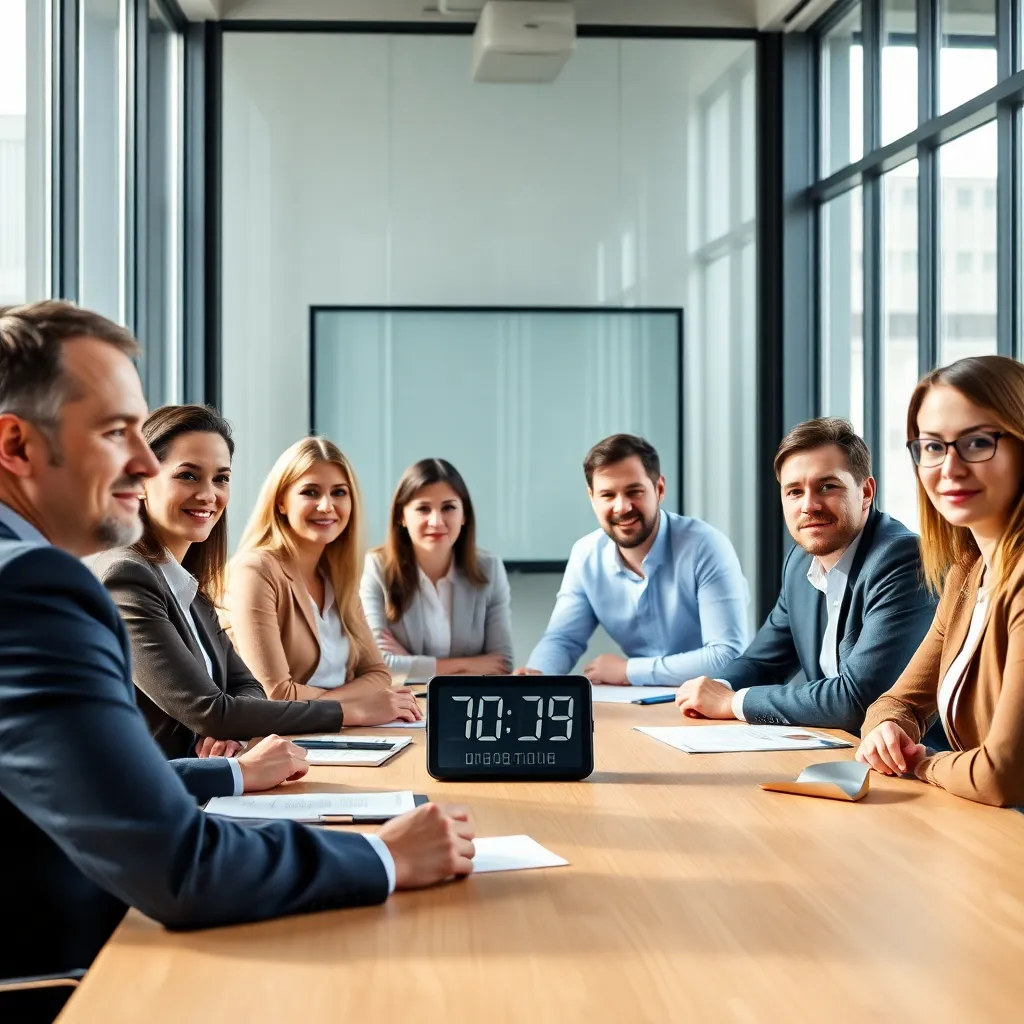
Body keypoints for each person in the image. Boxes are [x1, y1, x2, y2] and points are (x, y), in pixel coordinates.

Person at [0, 301, 473, 1004]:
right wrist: (382, 855)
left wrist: (230, 778)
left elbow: (99, 786)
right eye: (115, 432)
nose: (142, 461)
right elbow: (179, 866)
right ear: (16, 446)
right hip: (61, 969)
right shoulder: (32, 591)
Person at [90, 406, 405, 761]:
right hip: (160, 800)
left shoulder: (185, 584)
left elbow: (246, 687)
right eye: (189, 476)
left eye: (221, 478)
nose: (209, 494)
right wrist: (350, 712)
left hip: (208, 780)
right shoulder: (125, 577)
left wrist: (234, 730)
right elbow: (210, 710)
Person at [675, 418, 938, 736]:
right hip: (836, 749)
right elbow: (762, 662)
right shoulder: (801, 561)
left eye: (827, 486)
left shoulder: (901, 559)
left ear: (866, 492)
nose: (809, 506)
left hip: (912, 766)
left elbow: (857, 701)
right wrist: (716, 687)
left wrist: (732, 702)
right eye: (794, 492)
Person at [858, 356, 1024, 807]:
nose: (948, 468)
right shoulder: (968, 572)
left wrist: (920, 763)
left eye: (976, 442)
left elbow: (999, 775)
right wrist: (886, 731)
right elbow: (898, 702)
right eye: (932, 446)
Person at [516, 434, 749, 685]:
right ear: (592, 498)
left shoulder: (706, 546)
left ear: (659, 489)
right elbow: (563, 639)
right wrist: (536, 675)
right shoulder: (586, 555)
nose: (622, 507)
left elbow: (727, 656)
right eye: (607, 495)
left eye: (634, 492)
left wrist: (628, 671)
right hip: (639, 704)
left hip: (713, 703)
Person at [224, 438, 421, 724]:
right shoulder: (256, 571)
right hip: (279, 742)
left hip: (339, 735)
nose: (327, 505)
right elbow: (275, 696)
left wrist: (345, 703)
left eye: (339, 492)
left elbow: (379, 674)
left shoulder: (338, 575)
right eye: (310, 492)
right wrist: (359, 706)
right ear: (281, 502)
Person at [360, 458, 513, 684]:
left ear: (464, 516)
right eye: (423, 508)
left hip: (472, 707)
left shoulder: (489, 569)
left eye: (448, 507)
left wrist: (410, 661)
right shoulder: (377, 567)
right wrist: (468, 665)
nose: (436, 521)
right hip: (404, 709)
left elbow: (502, 666)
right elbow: (377, 665)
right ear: (402, 516)